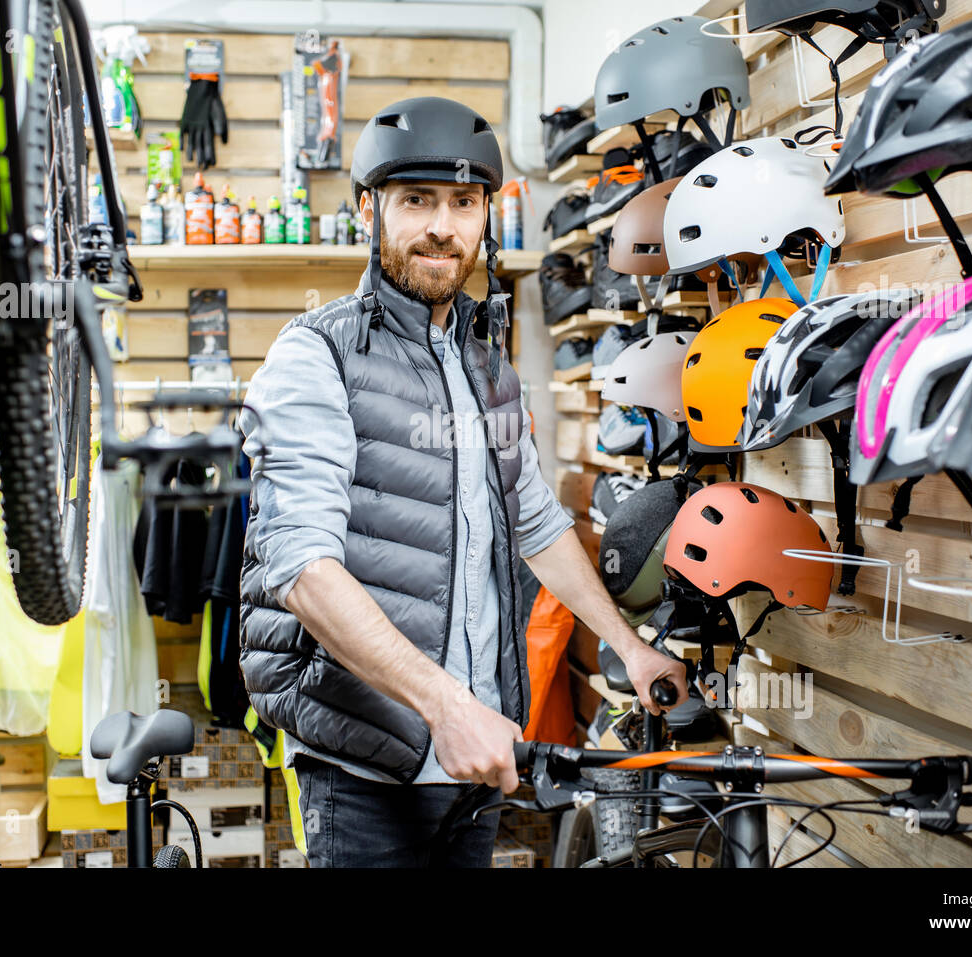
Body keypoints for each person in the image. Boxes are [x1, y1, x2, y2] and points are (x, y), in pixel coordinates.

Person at [238, 96, 687, 868]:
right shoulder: (316, 356)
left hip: (477, 763)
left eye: (464, 202)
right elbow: (302, 569)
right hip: (368, 771)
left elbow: (536, 522)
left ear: (485, 214)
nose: (443, 227)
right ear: (368, 207)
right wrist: (448, 707)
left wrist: (629, 648)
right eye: (416, 200)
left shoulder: (487, 362)